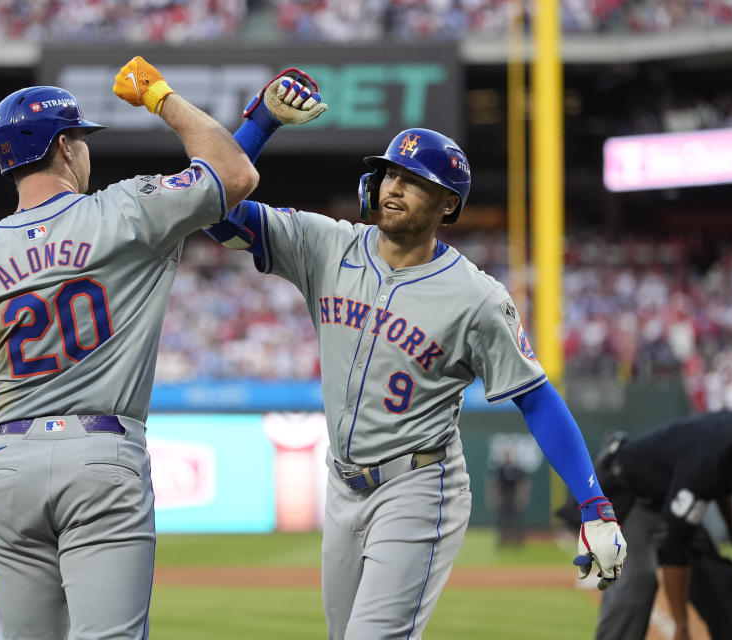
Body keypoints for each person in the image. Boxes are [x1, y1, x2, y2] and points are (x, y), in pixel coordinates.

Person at [204, 71, 628, 638]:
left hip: (417, 487)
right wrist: (261, 123)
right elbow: (214, 214)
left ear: (448, 202)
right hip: (342, 483)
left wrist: (593, 502)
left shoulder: (476, 297)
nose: (393, 188)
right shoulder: (327, 246)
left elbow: (535, 397)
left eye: (414, 180)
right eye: (389, 174)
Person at [0, 56, 258, 639]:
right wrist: (161, 98)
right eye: (81, 140)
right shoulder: (126, 210)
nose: (86, 151)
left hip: (10, 464)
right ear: (64, 147)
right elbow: (233, 173)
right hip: (101, 457)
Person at [581, 414, 732, 640]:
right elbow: (676, 550)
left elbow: (722, 481)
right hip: (633, 494)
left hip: (674, 493)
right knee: (637, 582)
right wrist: (681, 625)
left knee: (720, 585)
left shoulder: (730, 443)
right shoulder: (703, 464)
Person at [487, 444, 531, 547]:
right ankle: (502, 541)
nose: (507, 457)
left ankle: (518, 541)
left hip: (514, 497)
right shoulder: (500, 469)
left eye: (508, 455)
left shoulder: (516, 469)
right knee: (502, 521)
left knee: (517, 521)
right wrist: (493, 497)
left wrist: (522, 496)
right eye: (505, 455)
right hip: (503, 497)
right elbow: (493, 483)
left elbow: (524, 483)